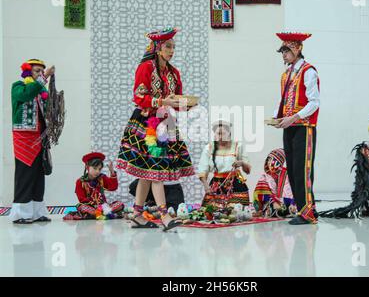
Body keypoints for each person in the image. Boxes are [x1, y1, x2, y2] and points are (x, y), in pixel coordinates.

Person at [116, 27, 195, 230]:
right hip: (147, 124)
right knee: (155, 170)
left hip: (166, 123)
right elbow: (138, 97)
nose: (172, 50)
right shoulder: (145, 68)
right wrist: (161, 101)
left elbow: (176, 100)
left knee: (146, 172)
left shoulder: (174, 73)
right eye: (168, 46)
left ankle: (136, 214)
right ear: (158, 48)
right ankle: (164, 215)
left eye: (173, 47)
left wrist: (186, 105)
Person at [273, 32, 320, 225]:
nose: (283, 55)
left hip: (304, 127)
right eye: (282, 51)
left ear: (297, 49)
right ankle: (304, 209)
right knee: (292, 169)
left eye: (286, 50)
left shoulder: (309, 71)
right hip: (290, 126)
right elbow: (282, 100)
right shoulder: (286, 75)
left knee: (303, 169)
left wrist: (293, 117)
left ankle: (308, 212)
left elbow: (314, 102)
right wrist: (276, 117)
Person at [9, 59, 55, 224]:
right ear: (28, 72)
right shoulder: (18, 87)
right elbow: (25, 95)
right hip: (24, 139)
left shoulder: (41, 91)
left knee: (38, 175)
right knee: (25, 175)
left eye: (42, 72)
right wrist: (44, 79)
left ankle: (37, 212)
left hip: (40, 138)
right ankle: (21, 213)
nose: (40, 75)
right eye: (37, 71)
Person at [199, 120, 251, 209]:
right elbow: (203, 169)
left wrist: (242, 163)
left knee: (237, 212)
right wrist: (206, 186)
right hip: (216, 184)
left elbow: (248, 170)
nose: (220, 136)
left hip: (235, 184)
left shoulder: (238, 146)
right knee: (212, 212)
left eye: (222, 133)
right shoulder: (209, 148)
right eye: (217, 134)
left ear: (229, 133)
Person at [64, 152, 124, 220]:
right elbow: (81, 199)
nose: (97, 171)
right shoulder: (80, 182)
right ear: (87, 167)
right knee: (81, 207)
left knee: (119, 204)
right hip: (91, 207)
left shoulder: (102, 178)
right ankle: (101, 214)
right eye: (95, 168)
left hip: (103, 207)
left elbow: (113, 187)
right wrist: (95, 205)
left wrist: (112, 172)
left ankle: (98, 214)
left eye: (99, 169)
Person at [253, 148, 297, 218]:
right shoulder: (265, 176)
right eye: (268, 159)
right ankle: (272, 210)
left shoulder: (287, 174)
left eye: (272, 159)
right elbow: (261, 194)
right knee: (272, 208)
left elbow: (291, 192)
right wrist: (273, 201)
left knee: (287, 207)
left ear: (279, 161)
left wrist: (292, 203)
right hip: (270, 202)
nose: (269, 162)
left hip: (285, 202)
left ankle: (283, 210)